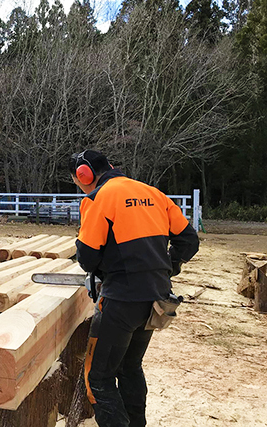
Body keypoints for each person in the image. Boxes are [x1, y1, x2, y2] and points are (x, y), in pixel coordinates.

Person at [70, 149, 199, 427]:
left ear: (84, 175)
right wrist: (168, 266)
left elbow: (87, 258)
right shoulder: (154, 193)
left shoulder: (98, 198)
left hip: (121, 301)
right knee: (129, 367)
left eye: (78, 180)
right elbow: (189, 240)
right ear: (112, 166)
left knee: (99, 378)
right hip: (157, 299)